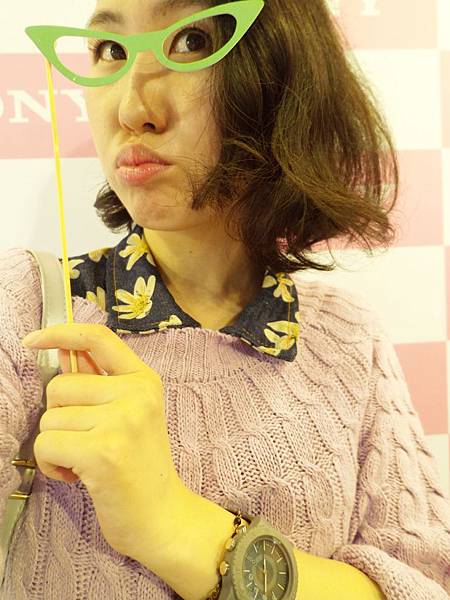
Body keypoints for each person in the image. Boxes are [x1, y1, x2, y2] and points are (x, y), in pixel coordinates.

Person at [1, 0, 450, 598]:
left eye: (190, 42)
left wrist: (178, 527)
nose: (132, 110)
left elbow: (420, 584)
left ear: (282, 73)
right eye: (111, 50)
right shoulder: (29, 309)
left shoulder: (345, 336)